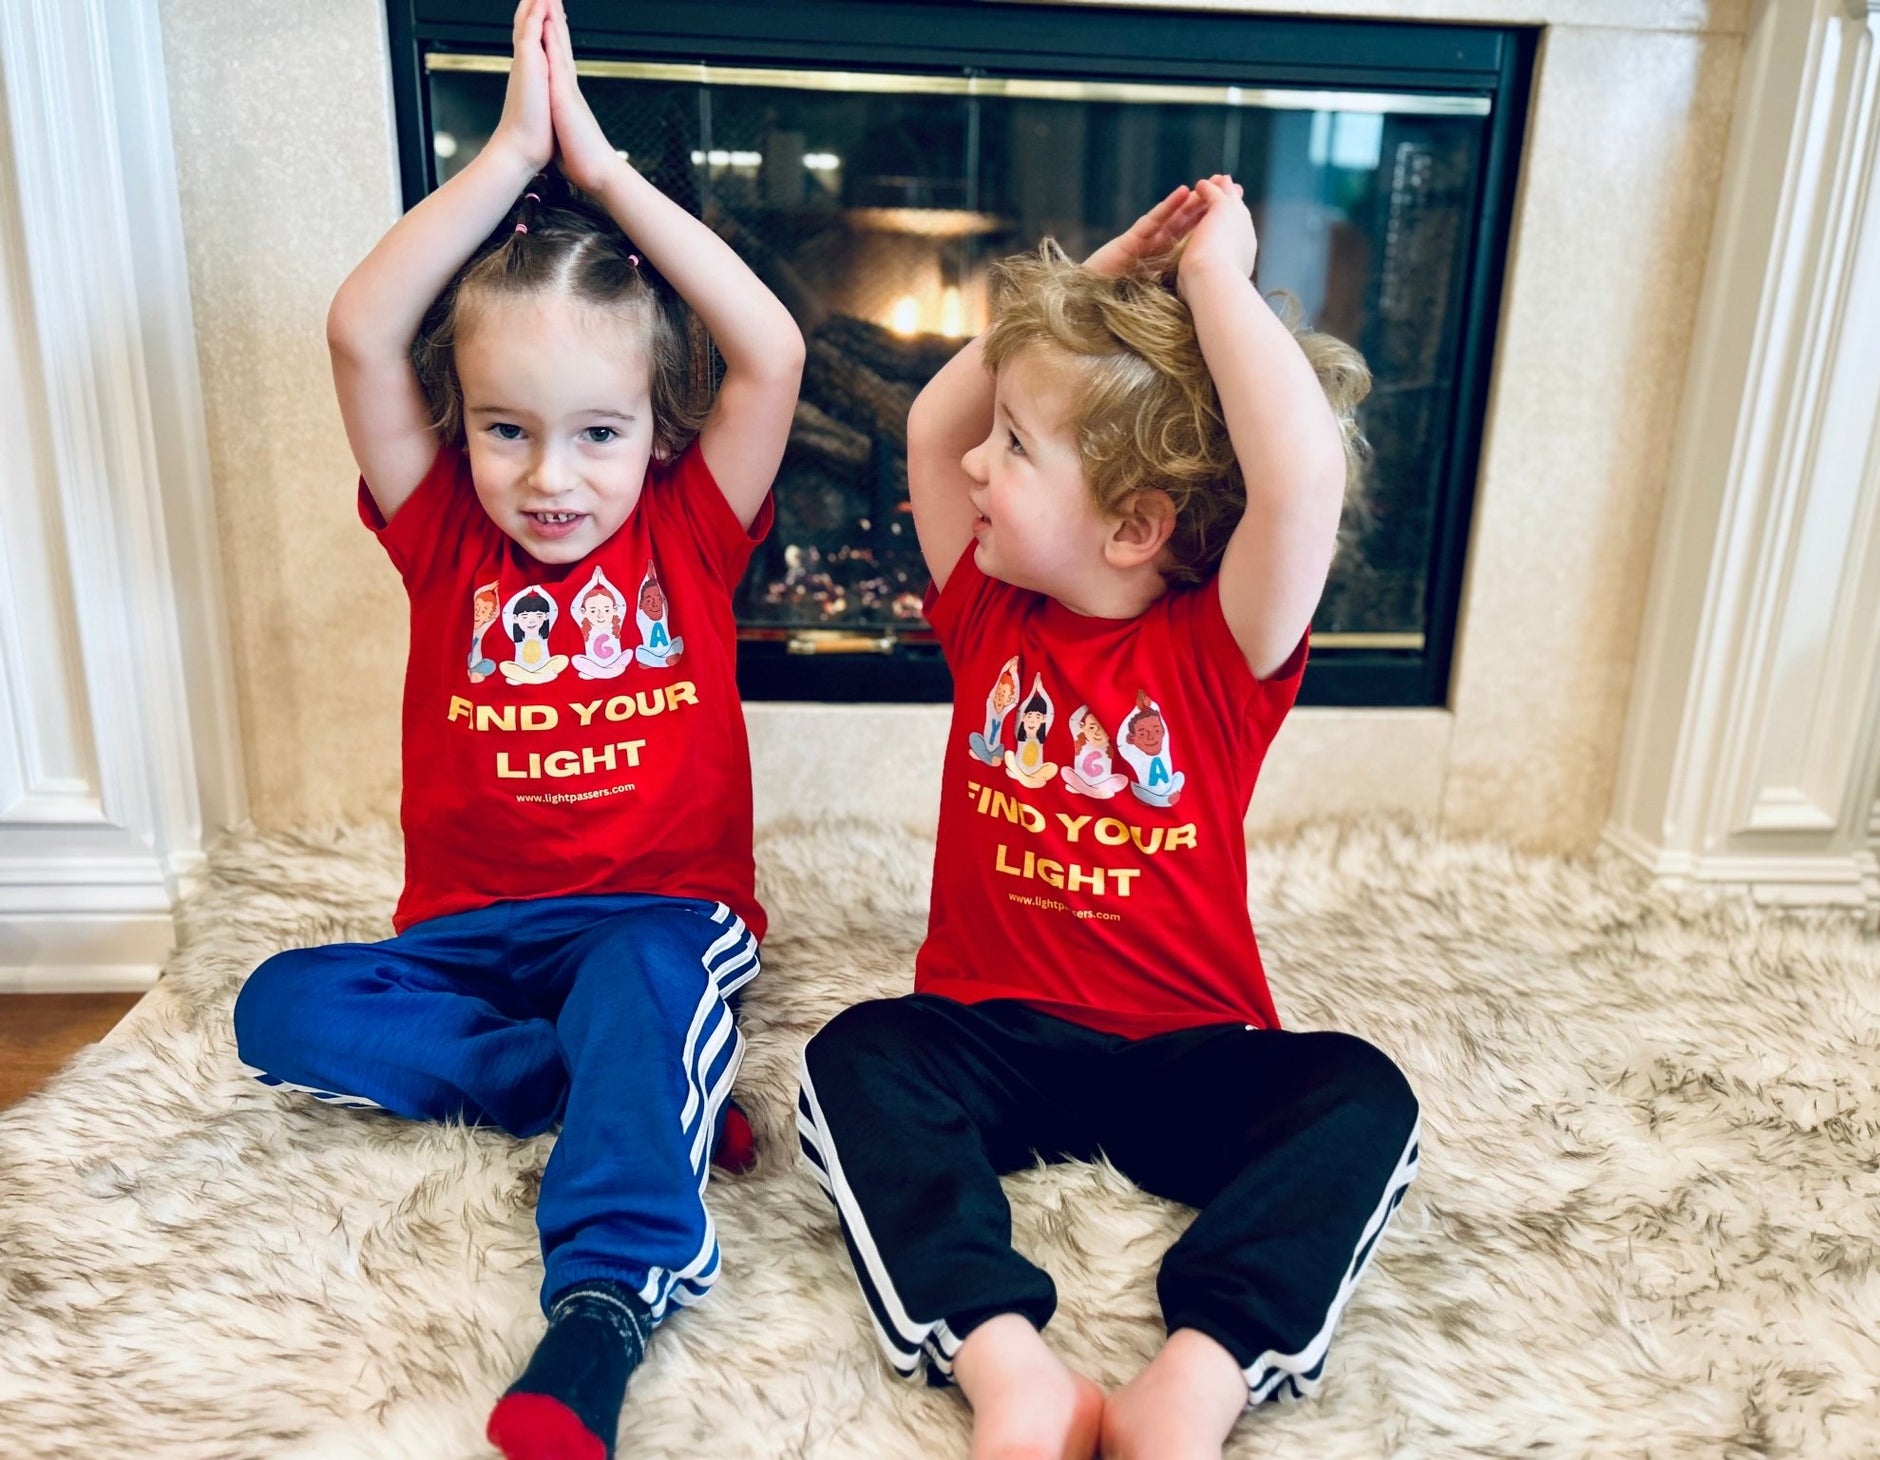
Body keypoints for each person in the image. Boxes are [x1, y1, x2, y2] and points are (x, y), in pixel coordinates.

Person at [229, 3, 801, 1456]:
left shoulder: (690, 529)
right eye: (506, 429)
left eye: (596, 432)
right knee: (278, 1007)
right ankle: (619, 1082)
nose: (552, 478)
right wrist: (505, 156)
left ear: (656, 429)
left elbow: (774, 349)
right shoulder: (440, 538)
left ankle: (603, 1301)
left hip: (661, 918)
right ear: (459, 421)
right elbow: (365, 327)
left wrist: (603, 176)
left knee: (643, 967)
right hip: (467, 935)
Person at [797, 178, 1418, 1460]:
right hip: (985, 1040)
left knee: (1363, 1095)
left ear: (1136, 525)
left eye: (1016, 448)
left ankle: (1199, 1372)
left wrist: (1213, 285)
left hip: (1184, 1051)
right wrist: (1092, 277)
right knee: (848, 1057)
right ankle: (1007, 1363)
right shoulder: (987, 608)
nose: (976, 461)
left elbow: (1295, 482)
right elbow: (928, 425)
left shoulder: (1219, 654)